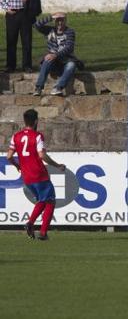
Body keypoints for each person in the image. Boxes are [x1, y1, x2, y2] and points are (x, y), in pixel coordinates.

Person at [6, 109, 66, 240]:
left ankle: (30, 224)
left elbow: (9, 156)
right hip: (39, 174)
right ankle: (42, 232)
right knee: (50, 201)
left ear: (25, 121)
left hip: (27, 176)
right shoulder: (37, 136)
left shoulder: (16, 136)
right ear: (36, 121)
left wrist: (17, 166)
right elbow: (42, 155)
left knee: (43, 200)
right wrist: (57, 165)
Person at [32, 13, 80, 97]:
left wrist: (55, 55)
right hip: (53, 63)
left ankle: (58, 87)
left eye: (62, 20)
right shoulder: (50, 30)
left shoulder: (70, 32)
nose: (60, 23)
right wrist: (51, 17)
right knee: (47, 59)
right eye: (58, 20)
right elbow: (36, 25)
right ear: (55, 21)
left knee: (72, 65)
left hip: (66, 61)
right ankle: (38, 87)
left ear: (65, 21)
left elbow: (69, 48)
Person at [1, 0, 35, 73]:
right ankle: (10, 66)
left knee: (27, 41)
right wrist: (6, 8)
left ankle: (27, 66)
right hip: (11, 14)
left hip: (25, 12)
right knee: (11, 41)